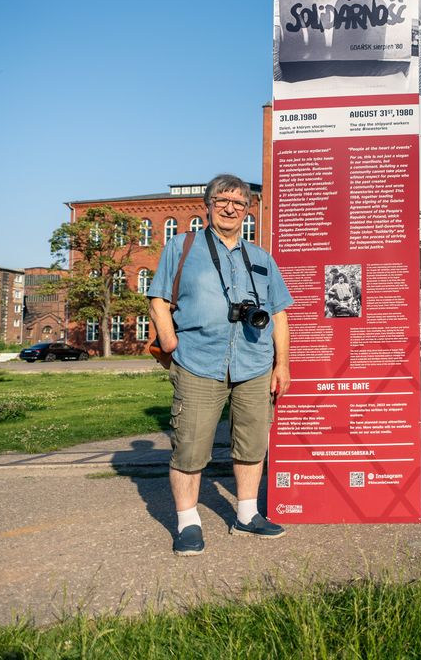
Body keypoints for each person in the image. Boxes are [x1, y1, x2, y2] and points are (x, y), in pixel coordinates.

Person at [147, 174, 293, 556]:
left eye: (239, 203)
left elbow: (279, 315)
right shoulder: (181, 247)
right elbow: (159, 300)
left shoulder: (260, 258)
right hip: (199, 362)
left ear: (248, 211)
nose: (230, 208)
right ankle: (188, 523)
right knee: (191, 447)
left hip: (254, 365)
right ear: (208, 205)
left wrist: (283, 365)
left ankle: (247, 515)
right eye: (222, 200)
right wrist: (169, 341)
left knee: (252, 443)